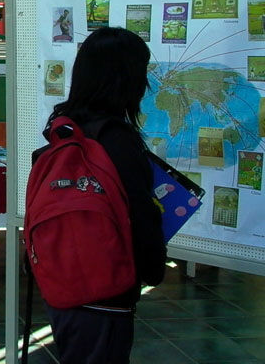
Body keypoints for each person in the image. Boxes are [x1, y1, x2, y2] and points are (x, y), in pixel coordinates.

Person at [35, 27, 166, 364]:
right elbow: (139, 219)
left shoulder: (64, 128)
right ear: (126, 78)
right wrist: (153, 269)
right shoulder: (117, 142)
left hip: (63, 285)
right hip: (107, 292)